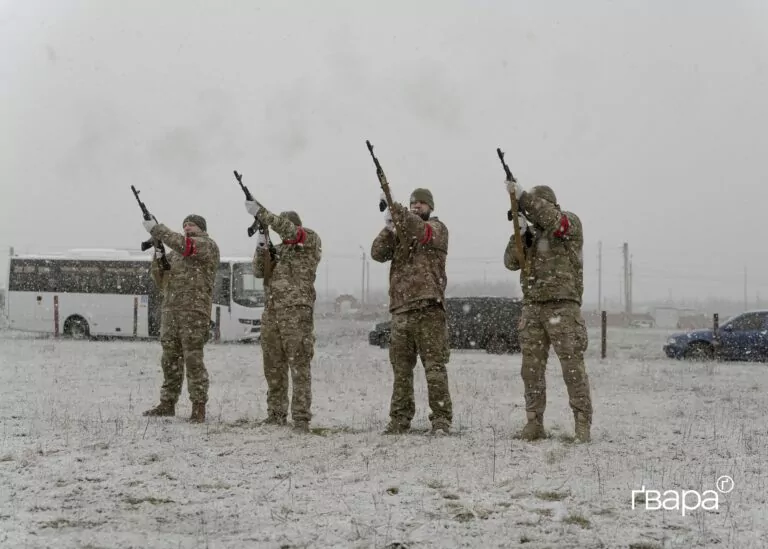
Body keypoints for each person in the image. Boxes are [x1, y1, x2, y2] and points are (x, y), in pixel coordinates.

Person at [503, 181, 592, 442]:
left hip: (563, 305)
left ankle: (582, 423)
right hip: (533, 306)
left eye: (538, 205)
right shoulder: (530, 235)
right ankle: (534, 422)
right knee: (531, 369)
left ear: (551, 205)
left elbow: (551, 219)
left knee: (572, 368)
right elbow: (511, 262)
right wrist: (519, 234)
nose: (534, 212)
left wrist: (523, 198)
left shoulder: (568, 223)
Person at [371, 188, 452, 435]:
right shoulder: (401, 232)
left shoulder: (437, 229)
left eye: (422, 203)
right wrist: (389, 228)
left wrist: (398, 210)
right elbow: (377, 253)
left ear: (431, 207)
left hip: (429, 309)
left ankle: (441, 420)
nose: (417, 206)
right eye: (413, 203)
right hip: (401, 310)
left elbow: (421, 230)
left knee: (434, 368)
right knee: (401, 371)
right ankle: (399, 419)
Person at [244, 199, 322, 433]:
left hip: (296, 313)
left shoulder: (308, 241)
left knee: (299, 366)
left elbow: (289, 230)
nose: (282, 230)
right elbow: (259, 271)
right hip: (272, 313)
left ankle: (301, 418)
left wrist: (263, 213)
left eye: (285, 225)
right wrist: (261, 245)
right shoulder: (276, 250)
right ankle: (276, 414)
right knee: (273, 366)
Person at [141, 214, 220, 423]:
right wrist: (158, 255)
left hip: (193, 312)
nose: (187, 227)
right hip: (171, 311)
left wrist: (158, 229)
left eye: (192, 224)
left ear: (201, 228)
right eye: (185, 225)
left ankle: (198, 406)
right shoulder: (176, 253)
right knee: (169, 360)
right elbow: (160, 280)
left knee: (193, 360)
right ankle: (167, 403)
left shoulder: (207, 246)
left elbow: (185, 246)